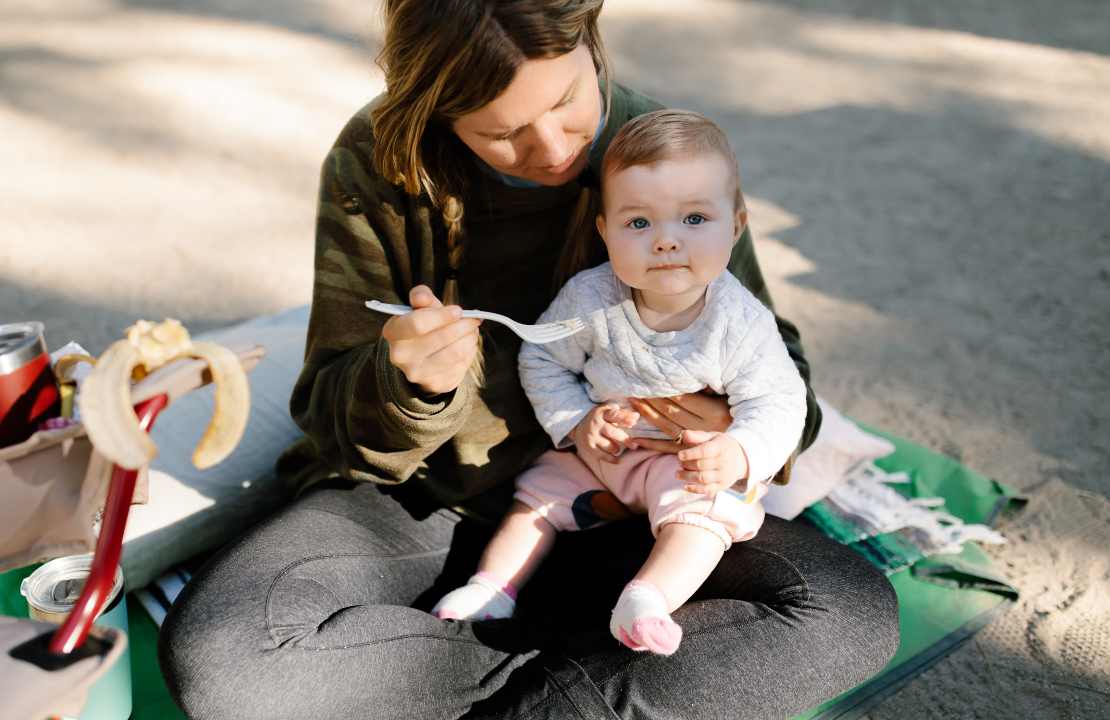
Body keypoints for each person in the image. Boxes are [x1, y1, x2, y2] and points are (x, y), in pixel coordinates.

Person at [159, 2, 899, 718]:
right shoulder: (379, 164)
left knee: (844, 613)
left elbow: (780, 371)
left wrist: (721, 425)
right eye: (501, 132)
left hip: (647, 517)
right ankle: (581, 677)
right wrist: (410, 385)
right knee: (228, 657)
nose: (553, 148)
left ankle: (457, 672)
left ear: (591, 32)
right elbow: (334, 426)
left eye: (570, 100)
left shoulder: (661, 158)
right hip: (439, 508)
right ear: (436, 113)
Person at [431, 110, 808, 659]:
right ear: (605, 232)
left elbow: (779, 400)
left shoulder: (739, 321)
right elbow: (542, 360)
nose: (666, 242)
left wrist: (739, 451)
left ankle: (647, 599)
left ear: (737, 225)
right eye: (639, 224)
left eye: (695, 219)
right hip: (600, 456)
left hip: (682, 462)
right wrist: (578, 422)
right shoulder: (591, 299)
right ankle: (492, 587)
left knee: (707, 516)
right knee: (534, 501)